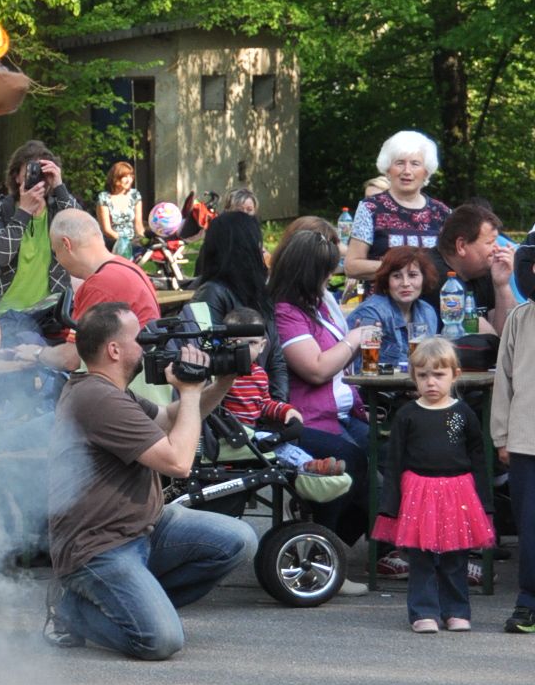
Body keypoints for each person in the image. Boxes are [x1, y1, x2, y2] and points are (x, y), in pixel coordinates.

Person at [46, 302, 254, 659]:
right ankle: (71, 611)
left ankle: (138, 601)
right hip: (99, 547)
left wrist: (222, 383)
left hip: (142, 529)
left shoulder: (110, 391)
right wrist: (188, 390)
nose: (146, 346)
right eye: (137, 338)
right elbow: (177, 462)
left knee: (238, 541)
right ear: (114, 350)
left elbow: (169, 419)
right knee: (159, 641)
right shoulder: (96, 398)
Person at [372, 336, 494, 632]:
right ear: (414, 377)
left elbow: (478, 457)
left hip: (458, 491)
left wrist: (484, 500)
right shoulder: (407, 415)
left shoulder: (462, 414)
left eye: (438, 375)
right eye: (423, 375)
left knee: (456, 557)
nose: (431, 382)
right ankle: (423, 611)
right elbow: (395, 461)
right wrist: (390, 502)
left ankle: (456, 610)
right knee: (421, 557)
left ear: (455, 375)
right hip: (419, 492)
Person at [269, 223, 370, 544]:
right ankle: (325, 545)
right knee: (349, 461)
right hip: (305, 416)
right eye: (326, 273)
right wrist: (354, 339)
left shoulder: (315, 303)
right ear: (308, 273)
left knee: (391, 450)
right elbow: (315, 369)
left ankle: (381, 547)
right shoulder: (286, 311)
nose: (331, 279)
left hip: (340, 410)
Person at [190, 210, 287, 400]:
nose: (263, 250)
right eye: (258, 243)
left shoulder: (258, 293)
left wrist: (280, 408)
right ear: (245, 248)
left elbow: (276, 359)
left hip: (264, 408)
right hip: (232, 411)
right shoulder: (211, 294)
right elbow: (209, 358)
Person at [0, 143, 80, 323]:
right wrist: (23, 212)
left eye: (43, 174)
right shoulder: (2, 209)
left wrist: (59, 186)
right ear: (16, 177)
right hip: (9, 312)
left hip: (52, 309)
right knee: (31, 341)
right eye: (31, 172)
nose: (38, 179)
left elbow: (83, 234)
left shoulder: (58, 208)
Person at [343, 132, 449, 284]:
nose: (406, 171)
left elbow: (455, 263)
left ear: (426, 172)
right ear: (387, 169)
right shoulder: (370, 208)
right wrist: (404, 268)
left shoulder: (442, 212)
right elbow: (351, 267)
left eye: (415, 164)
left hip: (433, 305)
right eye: (399, 163)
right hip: (383, 304)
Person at [492, 283, 535, 635]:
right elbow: (503, 381)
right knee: (531, 527)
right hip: (526, 441)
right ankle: (529, 601)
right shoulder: (521, 319)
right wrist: (501, 435)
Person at [51, 209, 161, 328]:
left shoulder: (100, 285)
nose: (58, 258)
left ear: (66, 244)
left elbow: (77, 345)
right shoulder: (127, 267)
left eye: (56, 251)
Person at [428, 201, 516, 335]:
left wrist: (502, 285)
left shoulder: (481, 270)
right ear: (461, 246)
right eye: (490, 242)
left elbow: (509, 333)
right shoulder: (433, 273)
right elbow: (487, 338)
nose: (497, 248)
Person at [347, 247, 440, 369]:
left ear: (424, 278)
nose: (405, 283)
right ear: (387, 281)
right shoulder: (372, 313)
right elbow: (364, 369)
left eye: (412, 275)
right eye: (397, 276)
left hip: (416, 384)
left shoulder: (427, 311)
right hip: (375, 386)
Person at [97, 162, 144, 259]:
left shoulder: (135, 195)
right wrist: (124, 242)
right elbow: (107, 230)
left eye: (131, 176)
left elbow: (138, 224)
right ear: (115, 178)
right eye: (125, 176)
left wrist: (142, 239)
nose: (129, 180)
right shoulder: (104, 198)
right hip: (112, 242)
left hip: (133, 241)